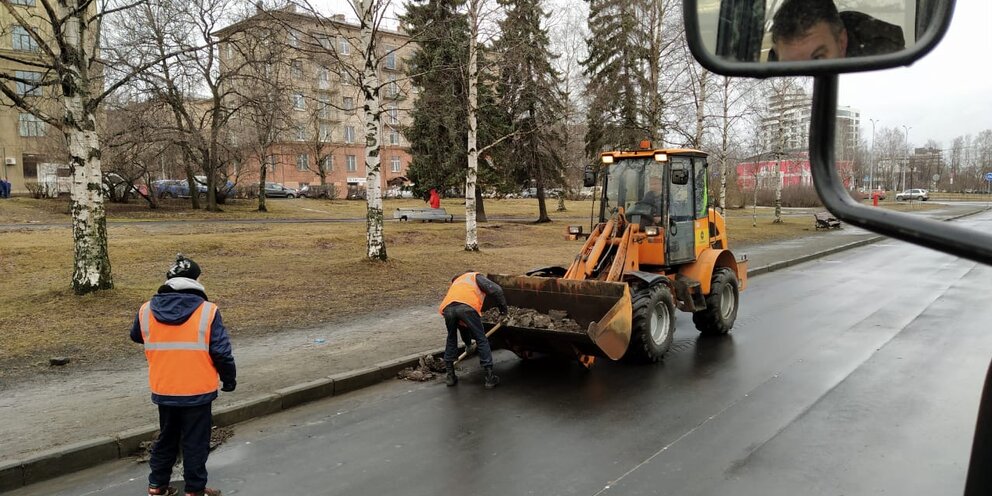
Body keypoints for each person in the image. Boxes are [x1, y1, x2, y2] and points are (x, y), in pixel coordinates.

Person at [131, 254, 236, 496]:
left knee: (166, 437)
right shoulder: (208, 311)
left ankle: (157, 486)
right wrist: (229, 379)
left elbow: (136, 335)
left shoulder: (146, 309)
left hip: (164, 388)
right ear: (197, 280)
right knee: (195, 442)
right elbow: (221, 352)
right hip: (198, 390)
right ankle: (195, 490)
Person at [770, 0, 905, 61]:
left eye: (817, 58)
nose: (806, 77)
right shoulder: (773, 71)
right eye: (791, 67)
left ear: (841, 43)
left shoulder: (885, 59)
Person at [439, 271, 508, 389]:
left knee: (451, 338)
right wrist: (503, 312)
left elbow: (462, 326)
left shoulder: (457, 284)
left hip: (448, 309)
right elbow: (497, 290)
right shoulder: (474, 276)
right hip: (467, 307)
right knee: (481, 339)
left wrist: (468, 344)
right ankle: (490, 378)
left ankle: (450, 377)